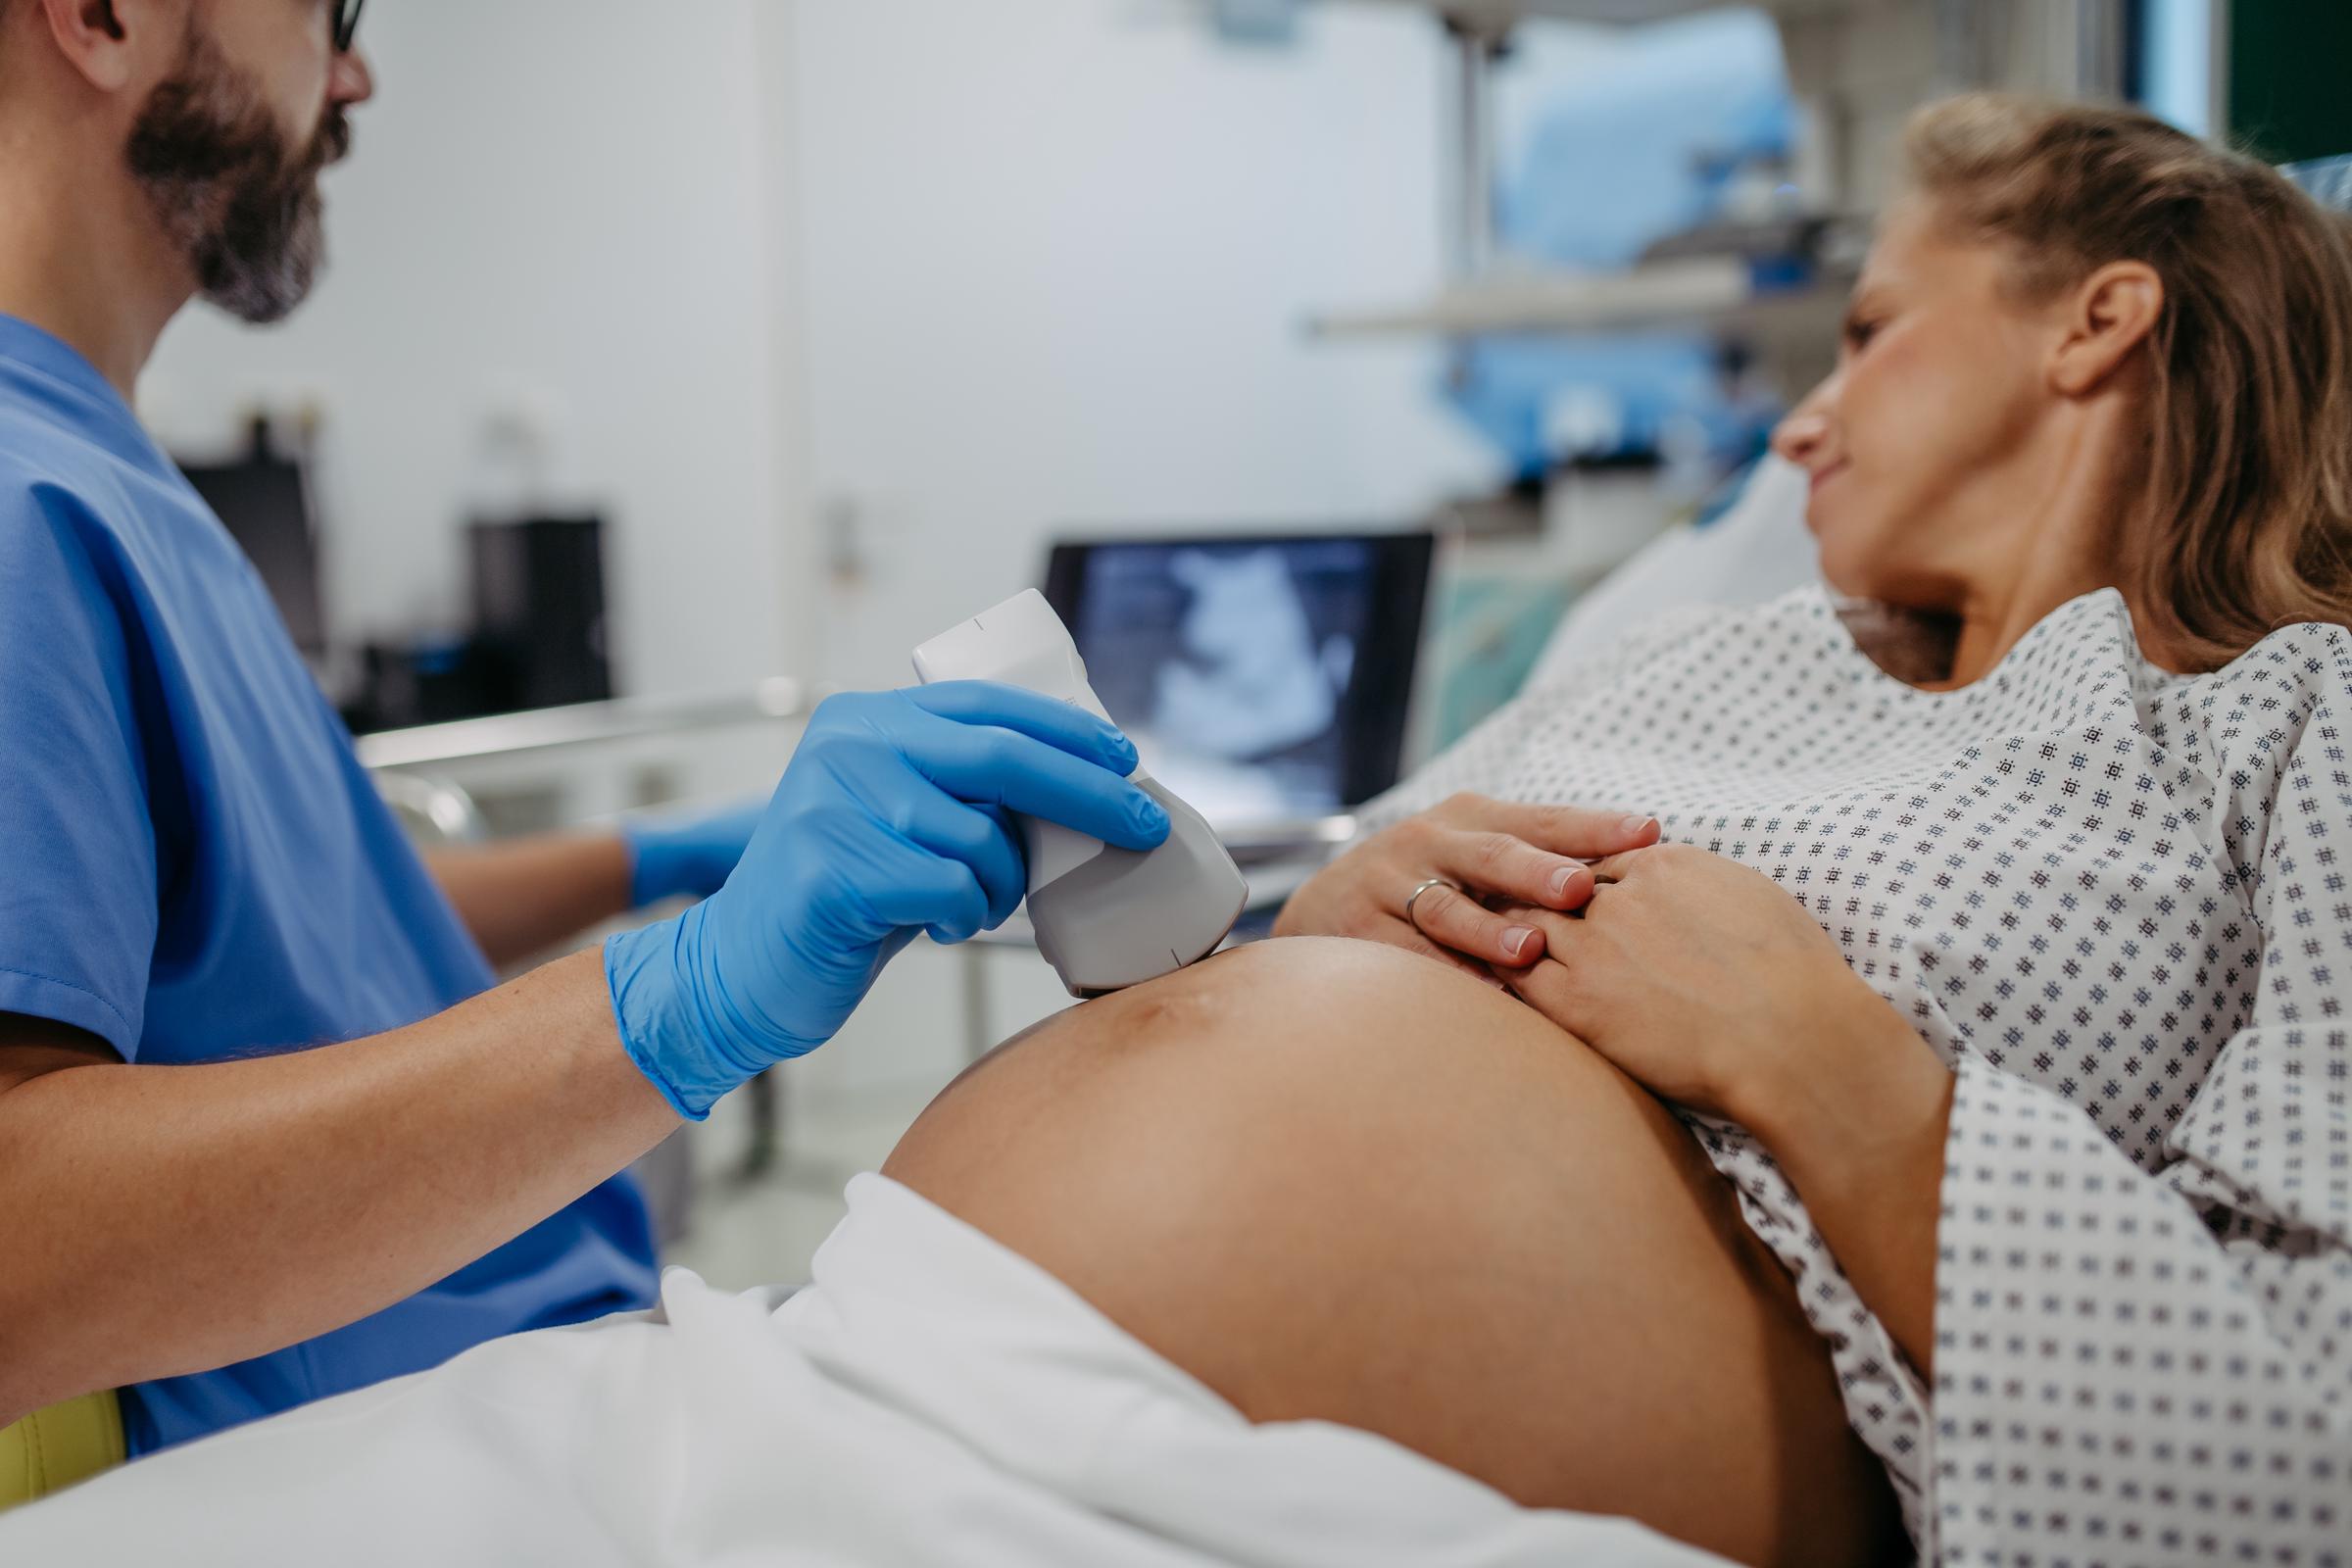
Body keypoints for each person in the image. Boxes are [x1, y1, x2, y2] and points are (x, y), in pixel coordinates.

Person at [8, 87, 2348, 1568]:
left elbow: (2310, 1450)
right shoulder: (1722, 657)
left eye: (1864, 334)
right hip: (827, 1378)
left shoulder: (2287, 724)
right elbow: (1315, 983)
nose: (1802, 426)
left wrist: (1847, 1080)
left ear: (2100, 321)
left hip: (1197, 1490)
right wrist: (1339, 896)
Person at [0, 0, 1168, 1499]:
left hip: (526, 1334)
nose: (351, 73)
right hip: (396, 1437)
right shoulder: (24, 504)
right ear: (99, 16)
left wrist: (666, 860)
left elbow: (272, 930)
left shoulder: (98, 468)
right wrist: (674, 999)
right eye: (324, 10)